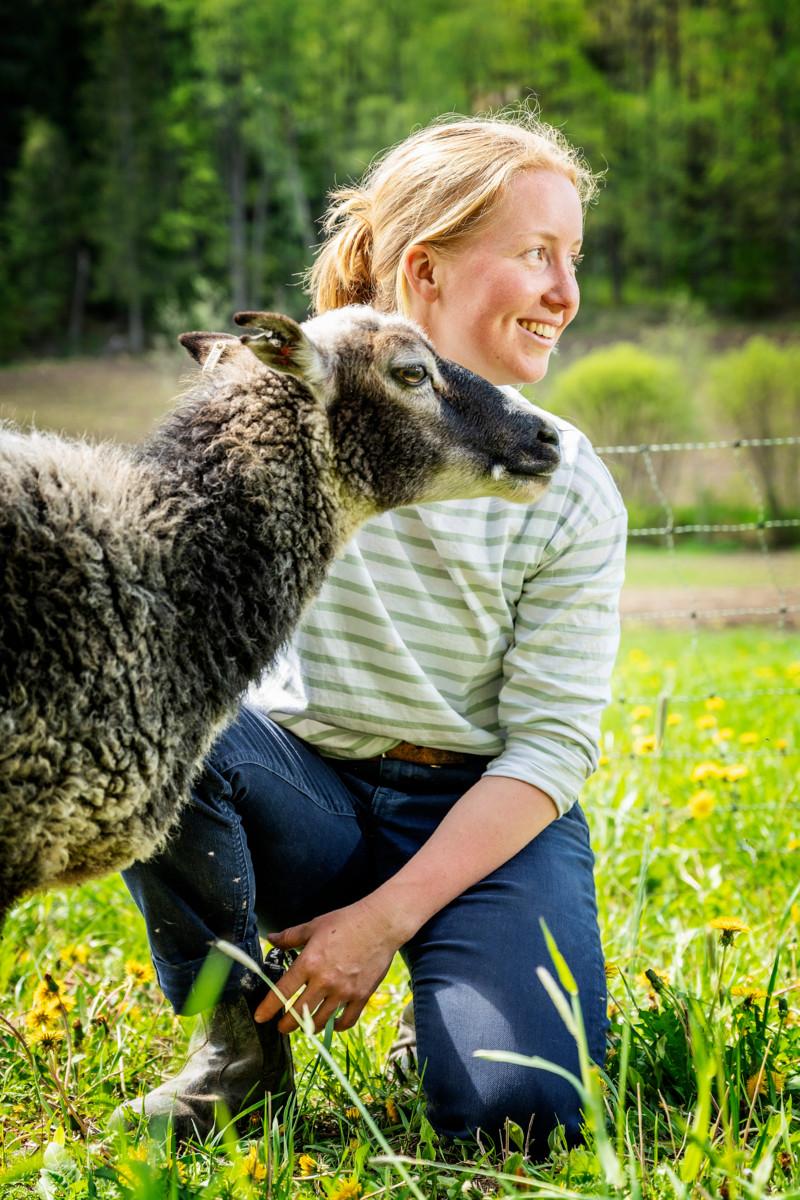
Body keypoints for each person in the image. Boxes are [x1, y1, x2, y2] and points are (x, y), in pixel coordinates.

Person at [113, 109, 627, 1154]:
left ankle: (453, 991)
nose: (565, 294)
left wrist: (381, 923)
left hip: (482, 818)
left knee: (514, 1115)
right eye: (536, 255)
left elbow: (550, 747)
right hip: (308, 787)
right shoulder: (282, 422)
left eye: (572, 258)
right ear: (424, 271)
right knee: (148, 713)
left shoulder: (564, 480)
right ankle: (234, 1052)